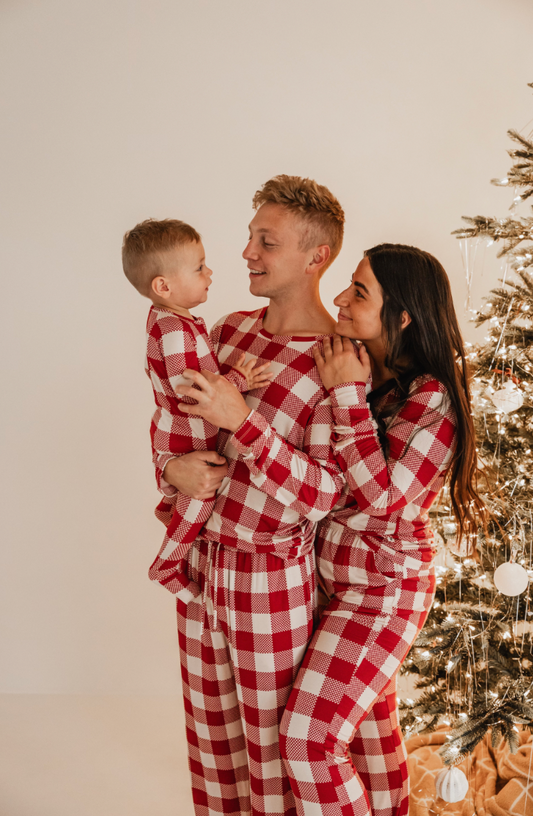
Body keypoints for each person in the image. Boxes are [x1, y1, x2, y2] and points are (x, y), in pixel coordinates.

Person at [155, 176, 347, 816]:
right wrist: (171, 468)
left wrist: (244, 420)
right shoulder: (227, 331)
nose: (246, 253)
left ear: (315, 256)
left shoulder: (337, 359)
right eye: (248, 237)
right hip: (204, 566)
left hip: (272, 580)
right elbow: (176, 425)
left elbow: (324, 493)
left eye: (267, 241)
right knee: (212, 749)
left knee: (270, 757)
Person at [278, 244, 486, 816]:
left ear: (403, 315)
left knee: (306, 741)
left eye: (359, 291)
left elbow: (386, 500)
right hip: (338, 585)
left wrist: (346, 394)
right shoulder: (379, 383)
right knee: (370, 743)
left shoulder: (432, 397)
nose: (340, 299)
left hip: (383, 593)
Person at [122, 218, 272, 601]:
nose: (210, 273)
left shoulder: (179, 321)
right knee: (200, 498)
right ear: (163, 286)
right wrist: (238, 381)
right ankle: (167, 564)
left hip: (185, 434)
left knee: (197, 496)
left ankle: (170, 510)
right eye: (199, 267)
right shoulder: (171, 328)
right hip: (185, 436)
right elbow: (190, 395)